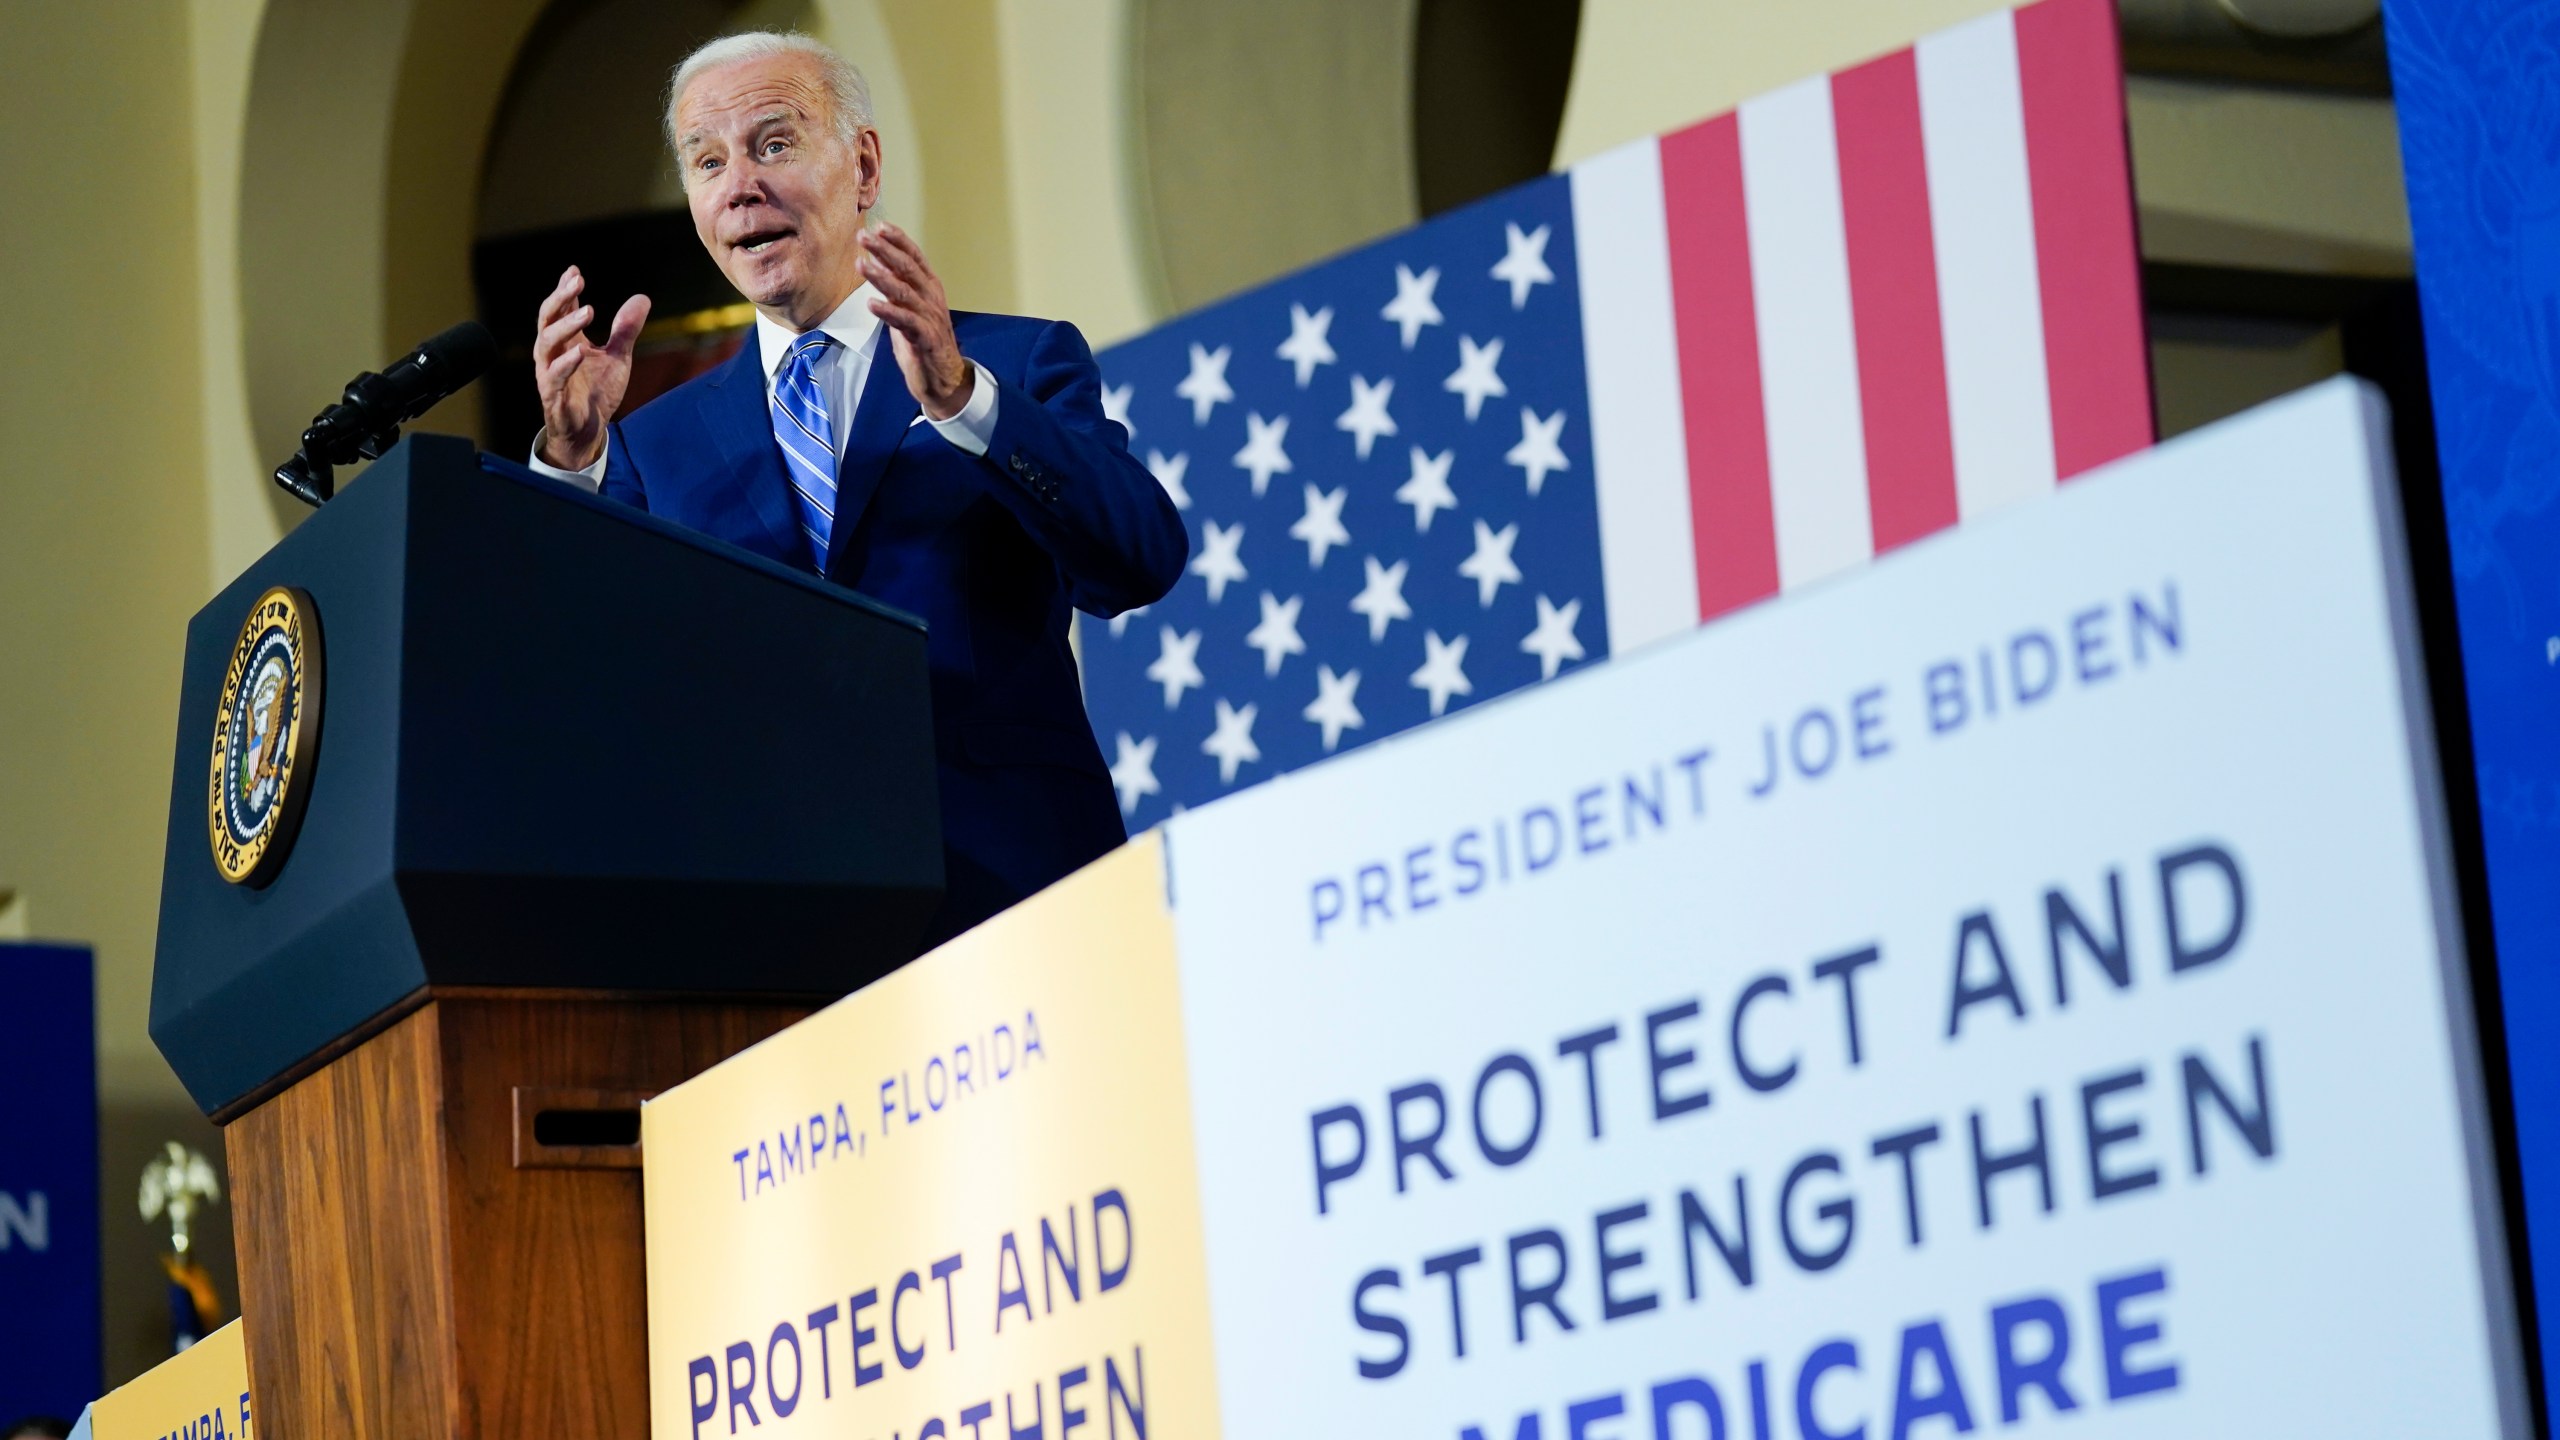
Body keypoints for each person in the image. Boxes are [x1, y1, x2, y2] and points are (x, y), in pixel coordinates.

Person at [527, 31, 1187, 944]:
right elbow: (584, 676)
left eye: (774, 144)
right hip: (777, 928)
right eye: (708, 162)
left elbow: (1138, 559)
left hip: (1019, 893)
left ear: (864, 165)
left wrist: (967, 404)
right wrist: (570, 466)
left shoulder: (1011, 363)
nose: (740, 185)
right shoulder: (648, 446)